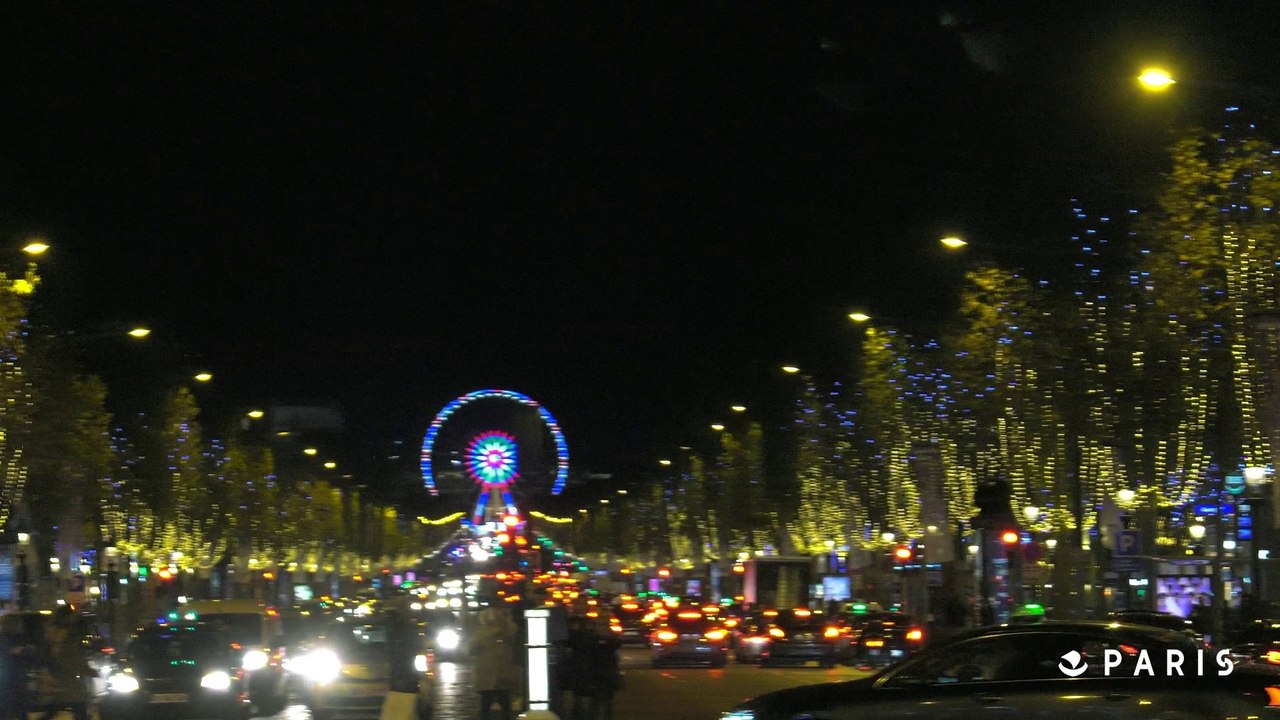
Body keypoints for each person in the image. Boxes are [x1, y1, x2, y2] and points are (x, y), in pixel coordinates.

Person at [564, 617, 622, 720]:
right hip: (590, 677)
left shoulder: (610, 640)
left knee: (602, 705)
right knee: (589, 705)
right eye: (600, 625)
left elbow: (614, 646)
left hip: (604, 678)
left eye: (604, 625)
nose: (602, 628)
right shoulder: (587, 638)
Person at [468, 605, 518, 720]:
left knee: (485, 706)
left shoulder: (479, 635)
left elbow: (469, 650)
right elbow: (514, 629)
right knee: (505, 705)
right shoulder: (507, 632)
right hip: (503, 673)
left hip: (486, 674)